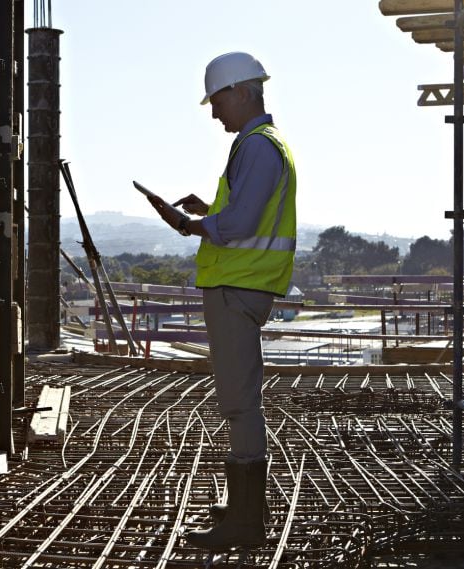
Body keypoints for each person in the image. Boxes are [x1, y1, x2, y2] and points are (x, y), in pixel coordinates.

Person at [147, 51, 297, 551]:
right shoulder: (262, 147)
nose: (214, 113)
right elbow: (242, 215)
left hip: (238, 289)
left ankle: (246, 523)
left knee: (239, 403)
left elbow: (241, 226)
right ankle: (245, 509)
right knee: (240, 401)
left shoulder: (257, 147)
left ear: (241, 92)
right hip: (243, 286)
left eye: (217, 101)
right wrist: (210, 210)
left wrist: (190, 225)